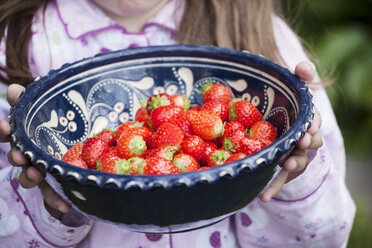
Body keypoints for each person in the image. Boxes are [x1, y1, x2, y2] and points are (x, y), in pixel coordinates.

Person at [0, 0, 355, 247]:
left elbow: (326, 237)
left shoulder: (264, 38)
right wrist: (51, 202)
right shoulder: (19, 46)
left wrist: (294, 173)